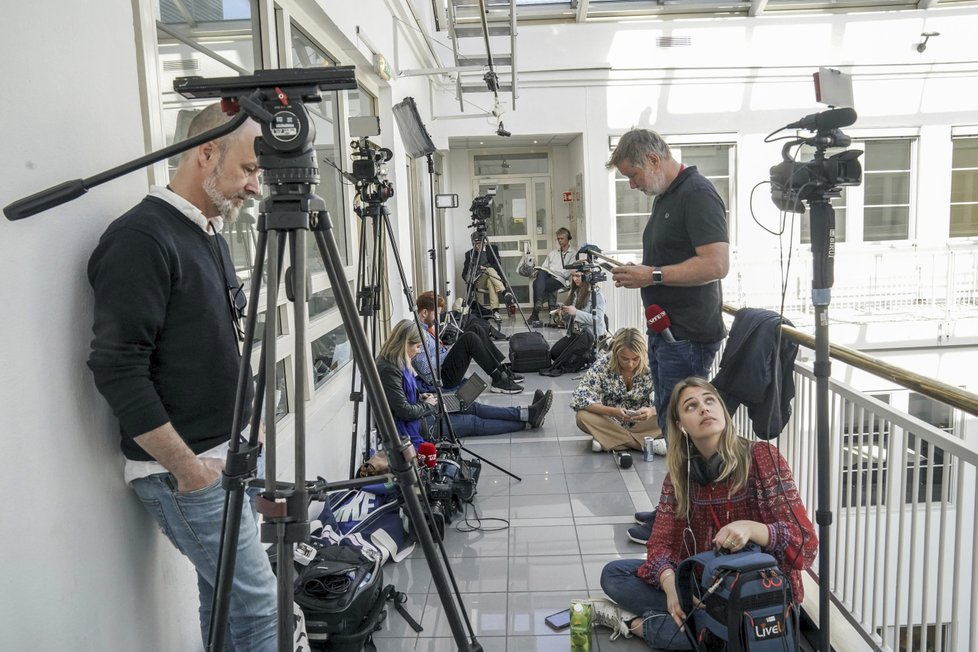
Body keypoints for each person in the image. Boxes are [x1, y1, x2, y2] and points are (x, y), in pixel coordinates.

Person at [87, 103, 277, 650]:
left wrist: (250, 421)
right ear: (206, 152)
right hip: (188, 473)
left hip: (230, 454)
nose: (254, 187)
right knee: (261, 609)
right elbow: (118, 367)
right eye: (247, 169)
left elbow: (217, 342)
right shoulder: (141, 239)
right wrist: (189, 470)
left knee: (225, 608)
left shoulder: (209, 232)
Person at [591, 377, 818, 649]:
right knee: (614, 574)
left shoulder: (762, 457)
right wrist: (672, 585)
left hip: (758, 595)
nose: (704, 409)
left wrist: (753, 529)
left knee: (717, 630)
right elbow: (659, 544)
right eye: (691, 406)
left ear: (722, 409)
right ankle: (705, 629)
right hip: (701, 589)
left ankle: (637, 625)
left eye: (710, 401)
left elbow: (805, 542)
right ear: (680, 425)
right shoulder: (679, 477)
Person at [607, 129, 729, 433]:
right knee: (668, 421)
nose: (633, 185)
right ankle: (676, 481)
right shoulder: (666, 197)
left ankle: (686, 481)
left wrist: (652, 275)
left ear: (652, 160)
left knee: (682, 428)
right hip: (666, 332)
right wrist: (644, 273)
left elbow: (716, 264)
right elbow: (672, 258)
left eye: (633, 175)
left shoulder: (697, 193)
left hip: (687, 336)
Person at [377, 320, 553, 445]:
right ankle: (528, 422)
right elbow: (405, 412)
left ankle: (527, 413)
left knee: (471, 406)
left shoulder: (398, 362)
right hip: (415, 425)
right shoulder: (389, 369)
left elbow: (404, 396)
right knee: (472, 422)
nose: (418, 351)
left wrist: (421, 396)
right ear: (404, 343)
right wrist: (429, 406)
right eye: (416, 347)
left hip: (422, 410)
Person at [569, 328, 663, 454]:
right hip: (610, 421)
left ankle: (608, 440)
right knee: (582, 417)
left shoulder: (651, 364)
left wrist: (651, 411)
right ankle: (645, 445)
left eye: (636, 359)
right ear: (616, 353)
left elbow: (671, 398)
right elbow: (579, 399)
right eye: (625, 359)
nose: (630, 364)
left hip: (642, 422)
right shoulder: (604, 364)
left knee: (673, 416)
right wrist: (613, 412)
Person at [414, 291, 523, 394]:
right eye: (436, 314)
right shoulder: (417, 334)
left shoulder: (426, 328)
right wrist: (450, 354)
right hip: (443, 379)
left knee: (475, 328)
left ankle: (501, 370)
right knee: (469, 339)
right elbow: (426, 369)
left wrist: (450, 353)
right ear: (424, 313)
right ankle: (498, 380)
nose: (438, 318)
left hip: (444, 367)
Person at [529, 226, 575, 327]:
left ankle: (535, 313)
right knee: (541, 273)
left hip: (560, 279)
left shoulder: (573, 254)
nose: (559, 241)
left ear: (568, 239)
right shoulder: (553, 253)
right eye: (558, 239)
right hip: (548, 277)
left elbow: (568, 272)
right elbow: (544, 267)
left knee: (536, 283)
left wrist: (553, 271)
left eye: (562, 238)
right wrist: (545, 270)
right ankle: (539, 304)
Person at [462, 231, 509, 320]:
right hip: (479, 280)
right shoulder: (469, 254)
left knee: (490, 280)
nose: (477, 246)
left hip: (492, 278)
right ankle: (504, 292)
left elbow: (498, 264)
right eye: (474, 244)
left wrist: (486, 268)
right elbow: (464, 274)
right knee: (490, 270)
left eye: (479, 243)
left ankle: (495, 311)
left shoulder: (492, 249)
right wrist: (471, 274)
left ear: (484, 242)